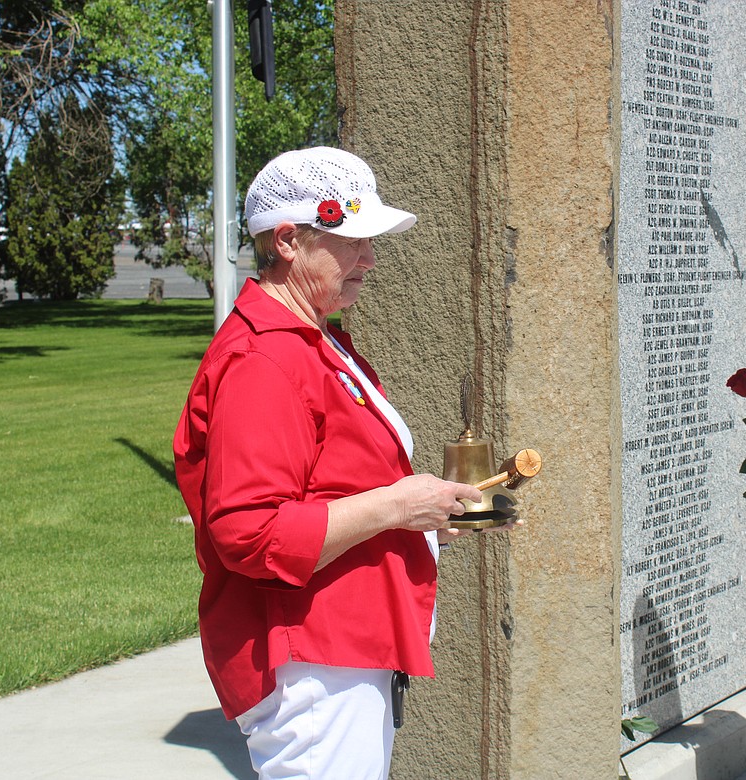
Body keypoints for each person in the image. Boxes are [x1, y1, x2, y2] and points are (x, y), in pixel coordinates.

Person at [173, 147, 514, 779]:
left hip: (332, 649)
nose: (370, 259)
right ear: (288, 242)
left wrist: (426, 513)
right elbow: (247, 531)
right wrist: (398, 504)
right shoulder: (266, 359)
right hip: (309, 661)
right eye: (350, 241)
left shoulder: (312, 339)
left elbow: (332, 488)